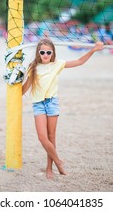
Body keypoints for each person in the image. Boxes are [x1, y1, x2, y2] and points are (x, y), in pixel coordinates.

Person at [22, 38, 104, 179]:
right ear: (38, 53)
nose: (46, 54)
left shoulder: (57, 64)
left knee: (51, 137)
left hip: (52, 102)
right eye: (43, 52)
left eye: (49, 52)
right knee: (42, 137)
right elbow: (24, 89)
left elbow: (79, 62)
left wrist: (93, 50)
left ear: (53, 53)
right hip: (38, 104)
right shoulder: (33, 67)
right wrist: (14, 82)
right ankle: (59, 161)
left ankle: (50, 168)